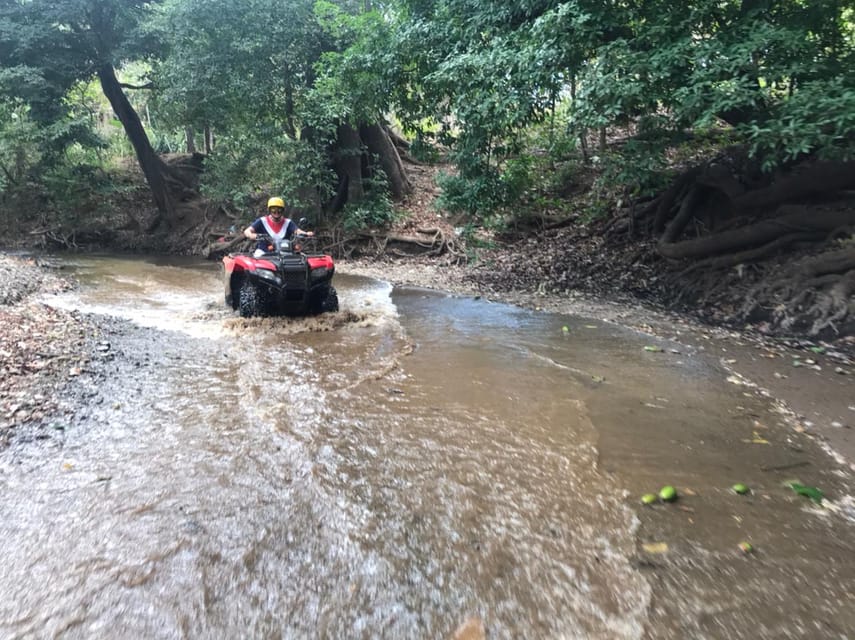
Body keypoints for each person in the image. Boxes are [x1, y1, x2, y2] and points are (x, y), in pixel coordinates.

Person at [243, 197, 313, 257]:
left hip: (285, 252)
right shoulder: (262, 221)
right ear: (269, 210)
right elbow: (247, 231)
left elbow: (297, 231)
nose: (276, 212)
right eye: (273, 210)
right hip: (264, 252)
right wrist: (254, 236)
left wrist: (306, 233)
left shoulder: (288, 222)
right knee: (256, 262)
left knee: (302, 258)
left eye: (279, 210)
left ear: (283, 210)